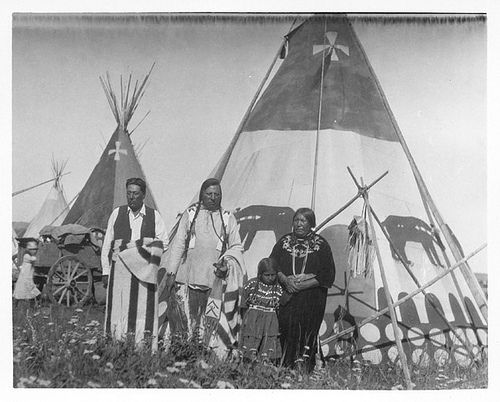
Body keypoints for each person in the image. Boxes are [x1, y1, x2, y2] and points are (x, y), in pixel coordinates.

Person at [161, 178, 245, 351]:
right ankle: (183, 351)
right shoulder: (190, 214)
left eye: (217, 194)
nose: (213, 198)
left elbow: (236, 246)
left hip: (214, 281)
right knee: (185, 317)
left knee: (211, 321)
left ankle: (208, 352)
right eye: (209, 194)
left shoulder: (228, 218)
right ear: (202, 195)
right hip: (188, 277)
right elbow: (178, 244)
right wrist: (171, 273)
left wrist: (227, 264)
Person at [101, 177, 168, 349]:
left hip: (145, 273)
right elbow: (107, 244)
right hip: (120, 272)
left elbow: (164, 243)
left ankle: (141, 346)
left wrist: (141, 251)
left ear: (143, 195)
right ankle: (116, 345)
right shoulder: (117, 214)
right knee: (119, 309)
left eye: (136, 194)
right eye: (129, 193)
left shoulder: (154, 216)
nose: (131, 197)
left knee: (142, 310)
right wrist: (106, 271)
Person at [270, 207, 335, 371]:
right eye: (296, 220)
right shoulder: (284, 242)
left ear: (311, 224)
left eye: (303, 220)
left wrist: (301, 285)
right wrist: (285, 280)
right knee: (285, 327)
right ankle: (285, 365)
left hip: (311, 298)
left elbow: (327, 274)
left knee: (307, 330)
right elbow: (271, 265)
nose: (299, 224)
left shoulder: (321, 244)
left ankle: (306, 367)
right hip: (287, 294)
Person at [239, 257, 282, 363]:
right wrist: (246, 322)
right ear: (260, 274)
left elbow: (279, 310)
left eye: (273, 275)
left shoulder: (278, 289)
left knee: (268, 347)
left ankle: (265, 370)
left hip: (270, 323)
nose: (270, 278)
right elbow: (243, 305)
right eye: (267, 275)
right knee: (249, 346)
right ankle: (246, 369)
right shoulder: (251, 285)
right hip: (252, 321)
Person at [13, 238, 41, 310]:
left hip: (27, 274)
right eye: (32, 249)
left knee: (27, 290)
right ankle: (17, 305)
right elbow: (34, 259)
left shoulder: (27, 254)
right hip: (26, 275)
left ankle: (33, 306)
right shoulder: (26, 256)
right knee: (27, 289)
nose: (34, 251)